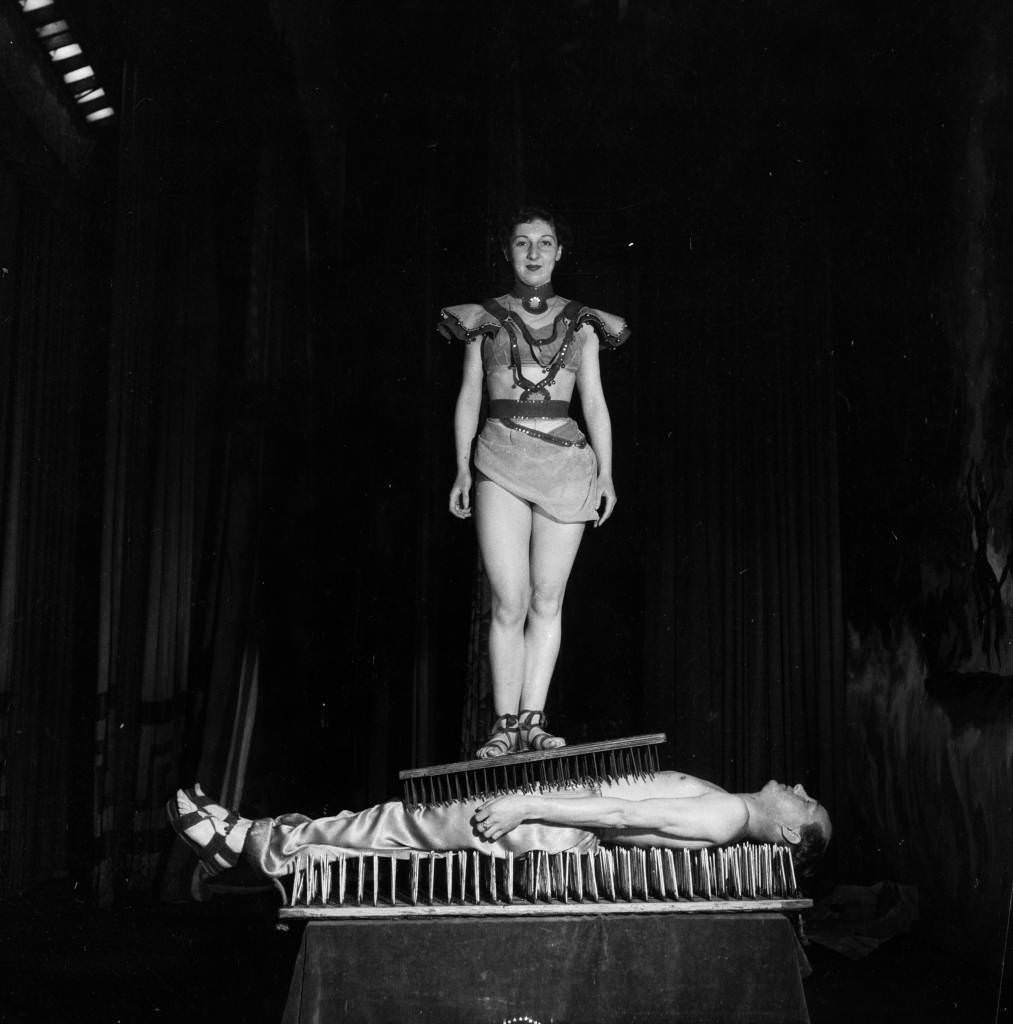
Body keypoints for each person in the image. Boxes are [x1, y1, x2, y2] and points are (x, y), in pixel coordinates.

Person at [440, 207, 630, 758]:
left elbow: (594, 400)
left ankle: (532, 720)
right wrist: (459, 466)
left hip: (568, 464)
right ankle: (503, 726)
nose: (533, 253)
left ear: (559, 253)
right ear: (508, 251)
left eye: (544, 243)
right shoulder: (483, 318)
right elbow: (470, 395)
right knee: (510, 599)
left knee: (548, 599)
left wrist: (608, 474)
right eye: (523, 243)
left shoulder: (585, 322)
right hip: (499, 457)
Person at [167, 773, 831, 880]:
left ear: (788, 836)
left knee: (397, 829)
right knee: (397, 826)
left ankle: (244, 847)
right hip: (548, 818)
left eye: (808, 805)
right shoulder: (724, 804)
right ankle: (252, 835)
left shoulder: (722, 814)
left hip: (546, 827)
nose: (799, 791)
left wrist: (526, 807)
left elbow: (619, 815)